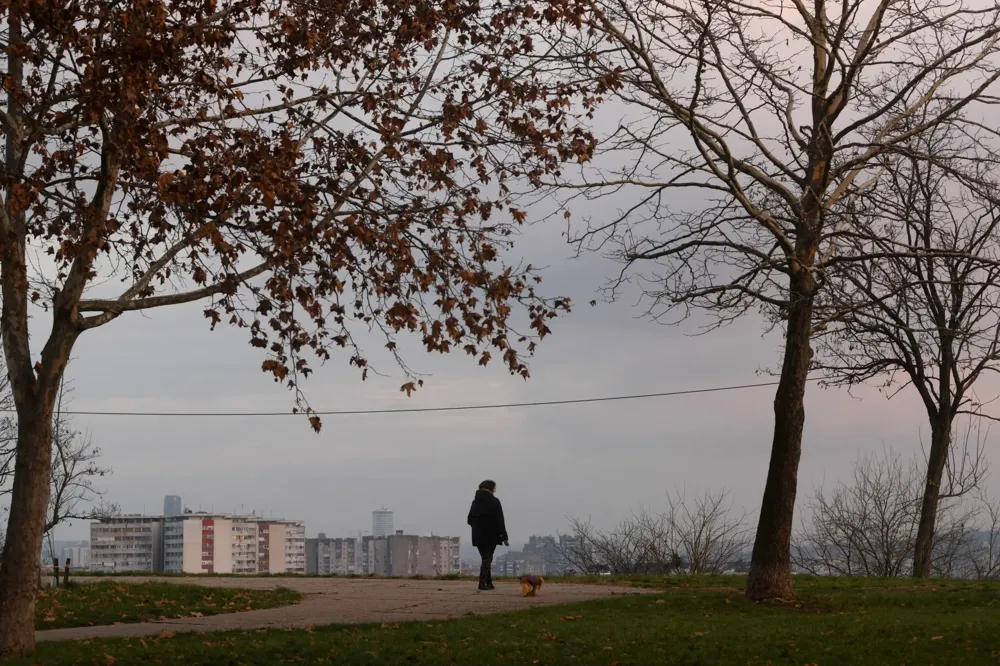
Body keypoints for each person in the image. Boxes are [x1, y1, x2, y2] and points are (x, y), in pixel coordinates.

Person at [467, 479, 508, 591]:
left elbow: (469, 519)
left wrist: (477, 527)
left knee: (486, 558)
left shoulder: (475, 502)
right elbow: (500, 520)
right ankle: (482, 583)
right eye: (494, 488)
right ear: (491, 489)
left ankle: (489, 583)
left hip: (477, 535)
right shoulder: (494, 501)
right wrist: (504, 536)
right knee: (487, 558)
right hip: (491, 535)